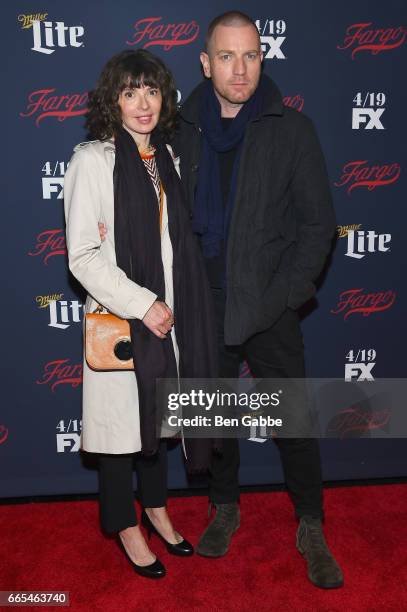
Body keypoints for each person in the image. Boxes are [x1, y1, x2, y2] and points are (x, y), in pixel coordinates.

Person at [99, 12, 344, 589]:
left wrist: (285, 296)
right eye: (227, 57)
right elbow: (140, 189)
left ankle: (311, 523)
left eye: (252, 56)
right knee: (215, 414)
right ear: (206, 64)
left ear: (264, 59)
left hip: (269, 303)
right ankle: (224, 507)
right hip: (200, 303)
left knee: (296, 418)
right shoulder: (179, 131)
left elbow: (318, 227)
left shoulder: (293, 130)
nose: (241, 69)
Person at [64, 49, 217, 579]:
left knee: (154, 422)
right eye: (130, 92)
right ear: (113, 100)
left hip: (167, 317)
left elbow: (175, 248)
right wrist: (143, 304)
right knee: (118, 433)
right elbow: (82, 255)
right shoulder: (93, 160)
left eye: (151, 90)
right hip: (123, 318)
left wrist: (175, 307)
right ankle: (123, 523)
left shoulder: (168, 159)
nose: (143, 103)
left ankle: (156, 509)